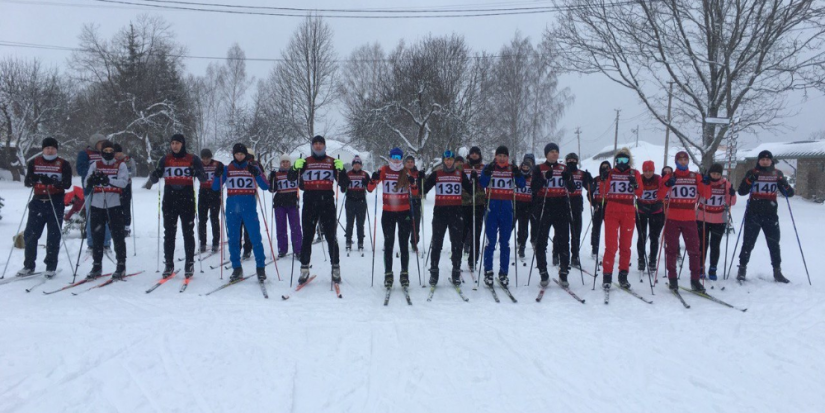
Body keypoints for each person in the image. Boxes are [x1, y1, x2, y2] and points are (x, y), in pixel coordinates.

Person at [288, 135, 349, 285]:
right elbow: (290, 178)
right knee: (307, 236)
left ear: (324, 146)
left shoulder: (332, 162)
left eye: (320, 143)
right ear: (312, 146)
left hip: (327, 201)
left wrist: (342, 170)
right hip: (310, 201)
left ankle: (335, 267)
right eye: (315, 144)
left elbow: (344, 184)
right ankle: (304, 268)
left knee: (330, 236)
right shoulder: (306, 161)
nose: (318, 146)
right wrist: (295, 167)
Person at [148, 134, 205, 278]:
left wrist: (196, 172)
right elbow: (154, 179)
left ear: (182, 144)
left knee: (188, 233)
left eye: (177, 143)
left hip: (187, 201)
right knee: (169, 234)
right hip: (170, 201)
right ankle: (168, 264)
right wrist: (154, 175)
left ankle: (189, 263)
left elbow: (203, 177)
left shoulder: (193, 159)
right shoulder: (165, 159)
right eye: (172, 143)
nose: (174, 146)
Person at [17, 137, 73, 278]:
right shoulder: (34, 162)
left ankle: (50, 266)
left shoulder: (63, 163)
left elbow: (67, 184)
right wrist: (33, 179)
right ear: (43, 149)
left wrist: (53, 183)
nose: (50, 150)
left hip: (55, 201)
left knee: (53, 236)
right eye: (47, 148)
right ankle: (28, 265)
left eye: (52, 148)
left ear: (56, 149)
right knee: (30, 234)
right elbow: (27, 182)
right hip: (37, 202)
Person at [213, 144, 270, 281]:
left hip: (249, 207)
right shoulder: (227, 169)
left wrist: (257, 174)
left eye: (242, 154)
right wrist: (217, 174)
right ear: (233, 154)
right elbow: (215, 187)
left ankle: (260, 268)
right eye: (237, 154)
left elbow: (265, 186)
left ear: (245, 155)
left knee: (255, 237)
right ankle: (237, 268)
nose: (239, 156)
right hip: (233, 208)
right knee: (233, 239)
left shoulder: (252, 167)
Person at [736, 150, 793, 283]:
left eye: (767, 159)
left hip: (770, 214)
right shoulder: (752, 172)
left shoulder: (777, 173)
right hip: (753, 214)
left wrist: (784, 183)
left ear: (771, 161)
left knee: (774, 243)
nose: (765, 161)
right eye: (762, 159)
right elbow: (742, 191)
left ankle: (777, 271)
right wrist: (750, 180)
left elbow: (789, 193)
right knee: (748, 243)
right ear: (759, 161)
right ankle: (742, 268)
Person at [659, 151, 711, 291]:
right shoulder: (671, 176)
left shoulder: (695, 177)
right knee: (671, 250)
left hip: (689, 219)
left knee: (694, 250)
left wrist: (707, 183)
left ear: (688, 161)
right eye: (680, 160)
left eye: (685, 159)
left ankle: (695, 280)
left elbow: (706, 195)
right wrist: (667, 185)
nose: (683, 162)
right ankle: (673, 279)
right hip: (672, 218)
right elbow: (660, 195)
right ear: (676, 162)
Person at [423, 150, 473, 286]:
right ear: (443, 161)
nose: (449, 162)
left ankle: (456, 271)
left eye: (451, 159)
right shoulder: (437, 174)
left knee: (457, 244)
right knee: (437, 243)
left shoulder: (460, 174)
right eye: (447, 159)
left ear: (454, 161)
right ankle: (434, 272)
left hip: (456, 213)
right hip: (440, 213)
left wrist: (473, 179)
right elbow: (424, 190)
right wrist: (421, 180)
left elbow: (471, 190)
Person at [479, 146, 526, 287]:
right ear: (495, 156)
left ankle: (503, 273)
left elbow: (522, 185)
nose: (501, 158)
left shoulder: (512, 169)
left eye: (504, 156)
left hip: (507, 210)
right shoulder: (489, 167)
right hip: (491, 210)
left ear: (507, 157)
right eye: (499, 155)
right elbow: (482, 183)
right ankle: (488, 272)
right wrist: (486, 173)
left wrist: (518, 174)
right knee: (490, 242)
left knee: (505, 243)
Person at [531, 143, 577, 287]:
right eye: (551, 151)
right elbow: (533, 187)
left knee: (563, 241)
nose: (555, 154)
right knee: (541, 241)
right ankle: (543, 272)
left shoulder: (564, 168)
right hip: (544, 206)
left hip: (561, 206)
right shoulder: (539, 168)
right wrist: (544, 179)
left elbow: (572, 188)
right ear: (546, 154)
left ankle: (564, 272)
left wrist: (568, 178)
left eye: (556, 151)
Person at [84, 140, 130, 280]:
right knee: (97, 237)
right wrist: (92, 180)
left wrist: (108, 181)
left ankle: (121, 266)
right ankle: (97, 266)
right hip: (97, 205)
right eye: (106, 151)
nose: (108, 153)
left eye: (111, 151)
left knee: (118, 236)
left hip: (114, 205)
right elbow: (86, 182)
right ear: (101, 152)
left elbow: (123, 183)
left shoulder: (120, 165)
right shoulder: (95, 165)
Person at [599, 149, 644, 289]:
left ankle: (623, 275)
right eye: (619, 160)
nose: (622, 163)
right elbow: (603, 192)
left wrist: (635, 184)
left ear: (629, 161)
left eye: (625, 160)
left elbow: (640, 193)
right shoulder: (611, 173)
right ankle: (607, 276)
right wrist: (603, 178)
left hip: (628, 211)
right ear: (615, 161)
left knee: (625, 246)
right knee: (611, 245)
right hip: (612, 209)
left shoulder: (634, 173)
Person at [370, 148, 414, 288]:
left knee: (403, 244)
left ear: (402, 159)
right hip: (388, 212)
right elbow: (370, 188)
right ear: (389, 158)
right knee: (388, 244)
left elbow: (417, 191)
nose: (396, 159)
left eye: (398, 157)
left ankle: (404, 274)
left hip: (404, 212)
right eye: (393, 157)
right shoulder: (384, 170)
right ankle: (388, 274)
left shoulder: (406, 171)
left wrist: (413, 182)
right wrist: (374, 178)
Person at [697, 163, 737, 281]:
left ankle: (713, 268)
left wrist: (732, 195)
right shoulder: (704, 182)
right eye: (713, 173)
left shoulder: (725, 184)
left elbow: (731, 202)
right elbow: (696, 197)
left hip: (719, 218)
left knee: (715, 245)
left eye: (718, 174)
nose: (715, 176)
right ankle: (700, 267)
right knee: (702, 244)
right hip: (702, 217)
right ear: (709, 173)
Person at [553, 153, 590, 268]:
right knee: (560, 232)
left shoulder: (581, 174)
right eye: (569, 160)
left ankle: (575, 256)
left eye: (574, 160)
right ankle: (556, 254)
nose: (571, 162)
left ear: (577, 161)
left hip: (576, 204)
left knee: (576, 232)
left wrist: (589, 181)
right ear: (566, 161)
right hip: (563, 203)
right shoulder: (562, 172)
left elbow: (590, 187)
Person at [76, 134, 110, 252]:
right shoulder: (85, 154)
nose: (104, 146)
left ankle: (106, 243)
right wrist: (94, 173)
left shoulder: (107, 153)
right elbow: (81, 169)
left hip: (105, 189)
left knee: (106, 217)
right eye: (101, 143)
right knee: (91, 217)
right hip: (91, 190)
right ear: (95, 144)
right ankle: (91, 244)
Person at [269, 154, 303, 259]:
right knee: (281, 227)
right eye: (283, 162)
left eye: (287, 162)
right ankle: (282, 249)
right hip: (280, 203)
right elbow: (272, 190)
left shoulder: (295, 173)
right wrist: (272, 179)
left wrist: (300, 175)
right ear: (280, 164)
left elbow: (302, 186)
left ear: (290, 163)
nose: (285, 164)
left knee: (295, 227)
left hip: (292, 203)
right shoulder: (277, 174)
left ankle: (298, 250)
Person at [636, 160, 665, 272]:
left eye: (650, 171)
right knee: (642, 236)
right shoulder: (640, 178)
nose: (648, 173)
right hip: (642, 211)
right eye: (646, 171)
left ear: (653, 170)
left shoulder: (658, 179)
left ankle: (652, 259)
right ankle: (641, 259)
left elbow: (663, 191)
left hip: (655, 211)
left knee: (654, 237)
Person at [461, 146, 486, 271]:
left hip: (479, 203)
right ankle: (457, 258)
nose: (475, 155)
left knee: (476, 233)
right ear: (469, 155)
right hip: (464, 204)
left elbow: (487, 182)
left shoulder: (483, 168)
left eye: (477, 153)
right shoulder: (463, 167)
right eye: (472, 153)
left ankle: (473, 260)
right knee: (462, 233)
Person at [344, 155, 372, 253]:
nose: (357, 165)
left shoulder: (365, 174)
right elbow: (343, 189)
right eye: (355, 164)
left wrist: (367, 183)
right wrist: (345, 183)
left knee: (360, 223)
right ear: (352, 165)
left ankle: (360, 242)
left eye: (358, 164)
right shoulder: (348, 174)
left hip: (361, 201)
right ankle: (348, 241)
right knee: (349, 223)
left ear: (361, 165)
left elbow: (370, 189)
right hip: (350, 200)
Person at [198, 149, 224, 253]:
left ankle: (215, 243)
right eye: (203, 158)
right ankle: (203, 243)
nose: (205, 160)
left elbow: (224, 169)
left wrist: (221, 171)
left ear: (210, 157)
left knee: (214, 218)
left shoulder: (217, 164)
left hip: (214, 192)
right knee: (202, 219)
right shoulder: (198, 164)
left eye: (207, 158)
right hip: (203, 192)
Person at [515, 155, 536, 261]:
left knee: (524, 228)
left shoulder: (533, 176)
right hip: (515, 204)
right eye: (524, 166)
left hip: (527, 205)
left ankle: (522, 247)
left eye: (528, 167)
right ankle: (503, 242)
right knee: (510, 226)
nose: (526, 168)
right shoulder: (517, 175)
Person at [589, 161, 611, 258]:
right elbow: (589, 194)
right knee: (596, 229)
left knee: (610, 230)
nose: (605, 169)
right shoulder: (596, 179)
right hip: (598, 205)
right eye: (603, 167)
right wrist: (594, 203)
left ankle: (610, 250)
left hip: (609, 206)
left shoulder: (612, 179)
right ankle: (594, 249)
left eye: (607, 167)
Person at [113, 144, 136, 237]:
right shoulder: (111, 161)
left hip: (126, 185)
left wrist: (126, 175)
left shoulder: (128, 160)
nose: (117, 155)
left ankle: (126, 227)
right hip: (114, 186)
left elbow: (134, 172)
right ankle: (116, 225)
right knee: (115, 206)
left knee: (126, 206)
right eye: (115, 153)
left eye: (119, 152)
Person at [405, 155, 424, 254]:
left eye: (411, 162)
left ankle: (414, 242)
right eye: (408, 162)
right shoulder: (402, 172)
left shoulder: (417, 173)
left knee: (415, 223)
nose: (410, 163)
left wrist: (422, 178)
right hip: (404, 201)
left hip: (415, 201)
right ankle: (403, 242)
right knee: (405, 224)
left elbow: (422, 187)